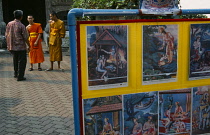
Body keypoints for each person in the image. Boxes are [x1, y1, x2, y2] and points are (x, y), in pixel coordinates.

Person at [5, 10, 30, 81]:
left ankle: (16, 74)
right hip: (20, 46)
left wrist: (8, 44)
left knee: (15, 60)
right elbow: (25, 37)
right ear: (21, 17)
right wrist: (29, 45)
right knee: (22, 61)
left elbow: (6, 35)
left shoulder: (9, 24)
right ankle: (20, 76)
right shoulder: (21, 26)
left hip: (12, 46)